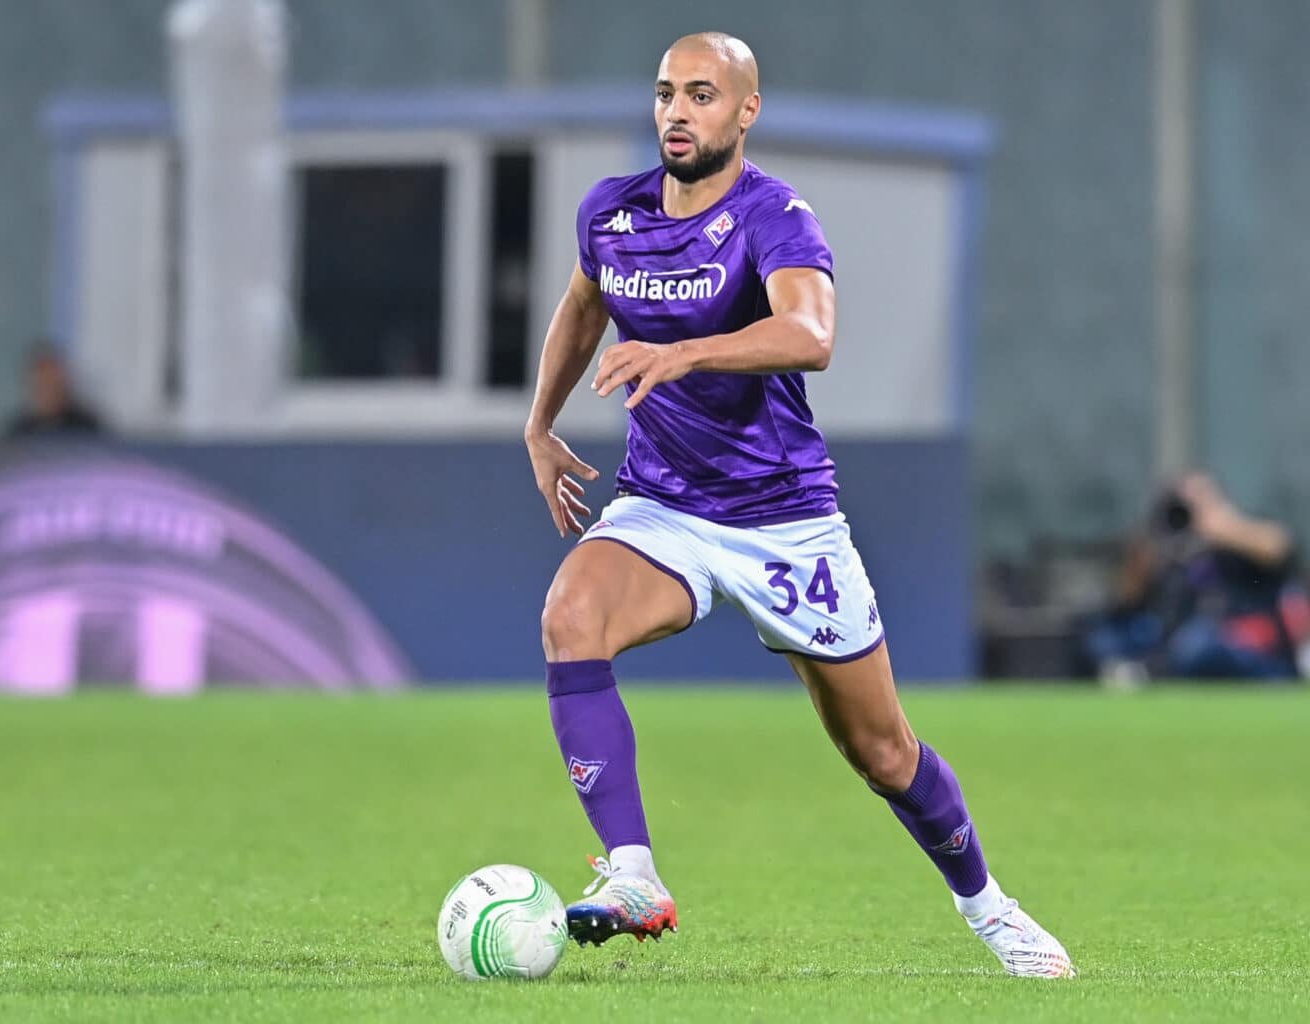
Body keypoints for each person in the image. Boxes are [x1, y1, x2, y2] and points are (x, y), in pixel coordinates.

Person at [523, 31, 1074, 977]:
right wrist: (540, 423)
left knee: (883, 750)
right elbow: (583, 307)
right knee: (571, 615)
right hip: (663, 508)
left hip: (784, 520)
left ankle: (993, 910)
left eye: (701, 94)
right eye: (665, 94)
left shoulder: (776, 216)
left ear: (746, 111)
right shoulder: (610, 214)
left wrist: (684, 352)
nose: (677, 112)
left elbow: (811, 334)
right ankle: (633, 873)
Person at [1084, 472, 1307, 684]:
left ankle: (1146, 673)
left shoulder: (1237, 540)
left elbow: (1279, 547)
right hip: (1174, 642)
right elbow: (1128, 598)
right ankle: (1142, 671)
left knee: (1199, 643)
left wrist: (1220, 526)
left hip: (1242, 646)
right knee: (1104, 637)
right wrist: (1149, 552)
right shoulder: (1171, 548)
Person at [3, 343, 106, 438]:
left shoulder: (86, 427)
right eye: (42, 384)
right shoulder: (17, 433)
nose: (49, 390)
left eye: (53, 383)